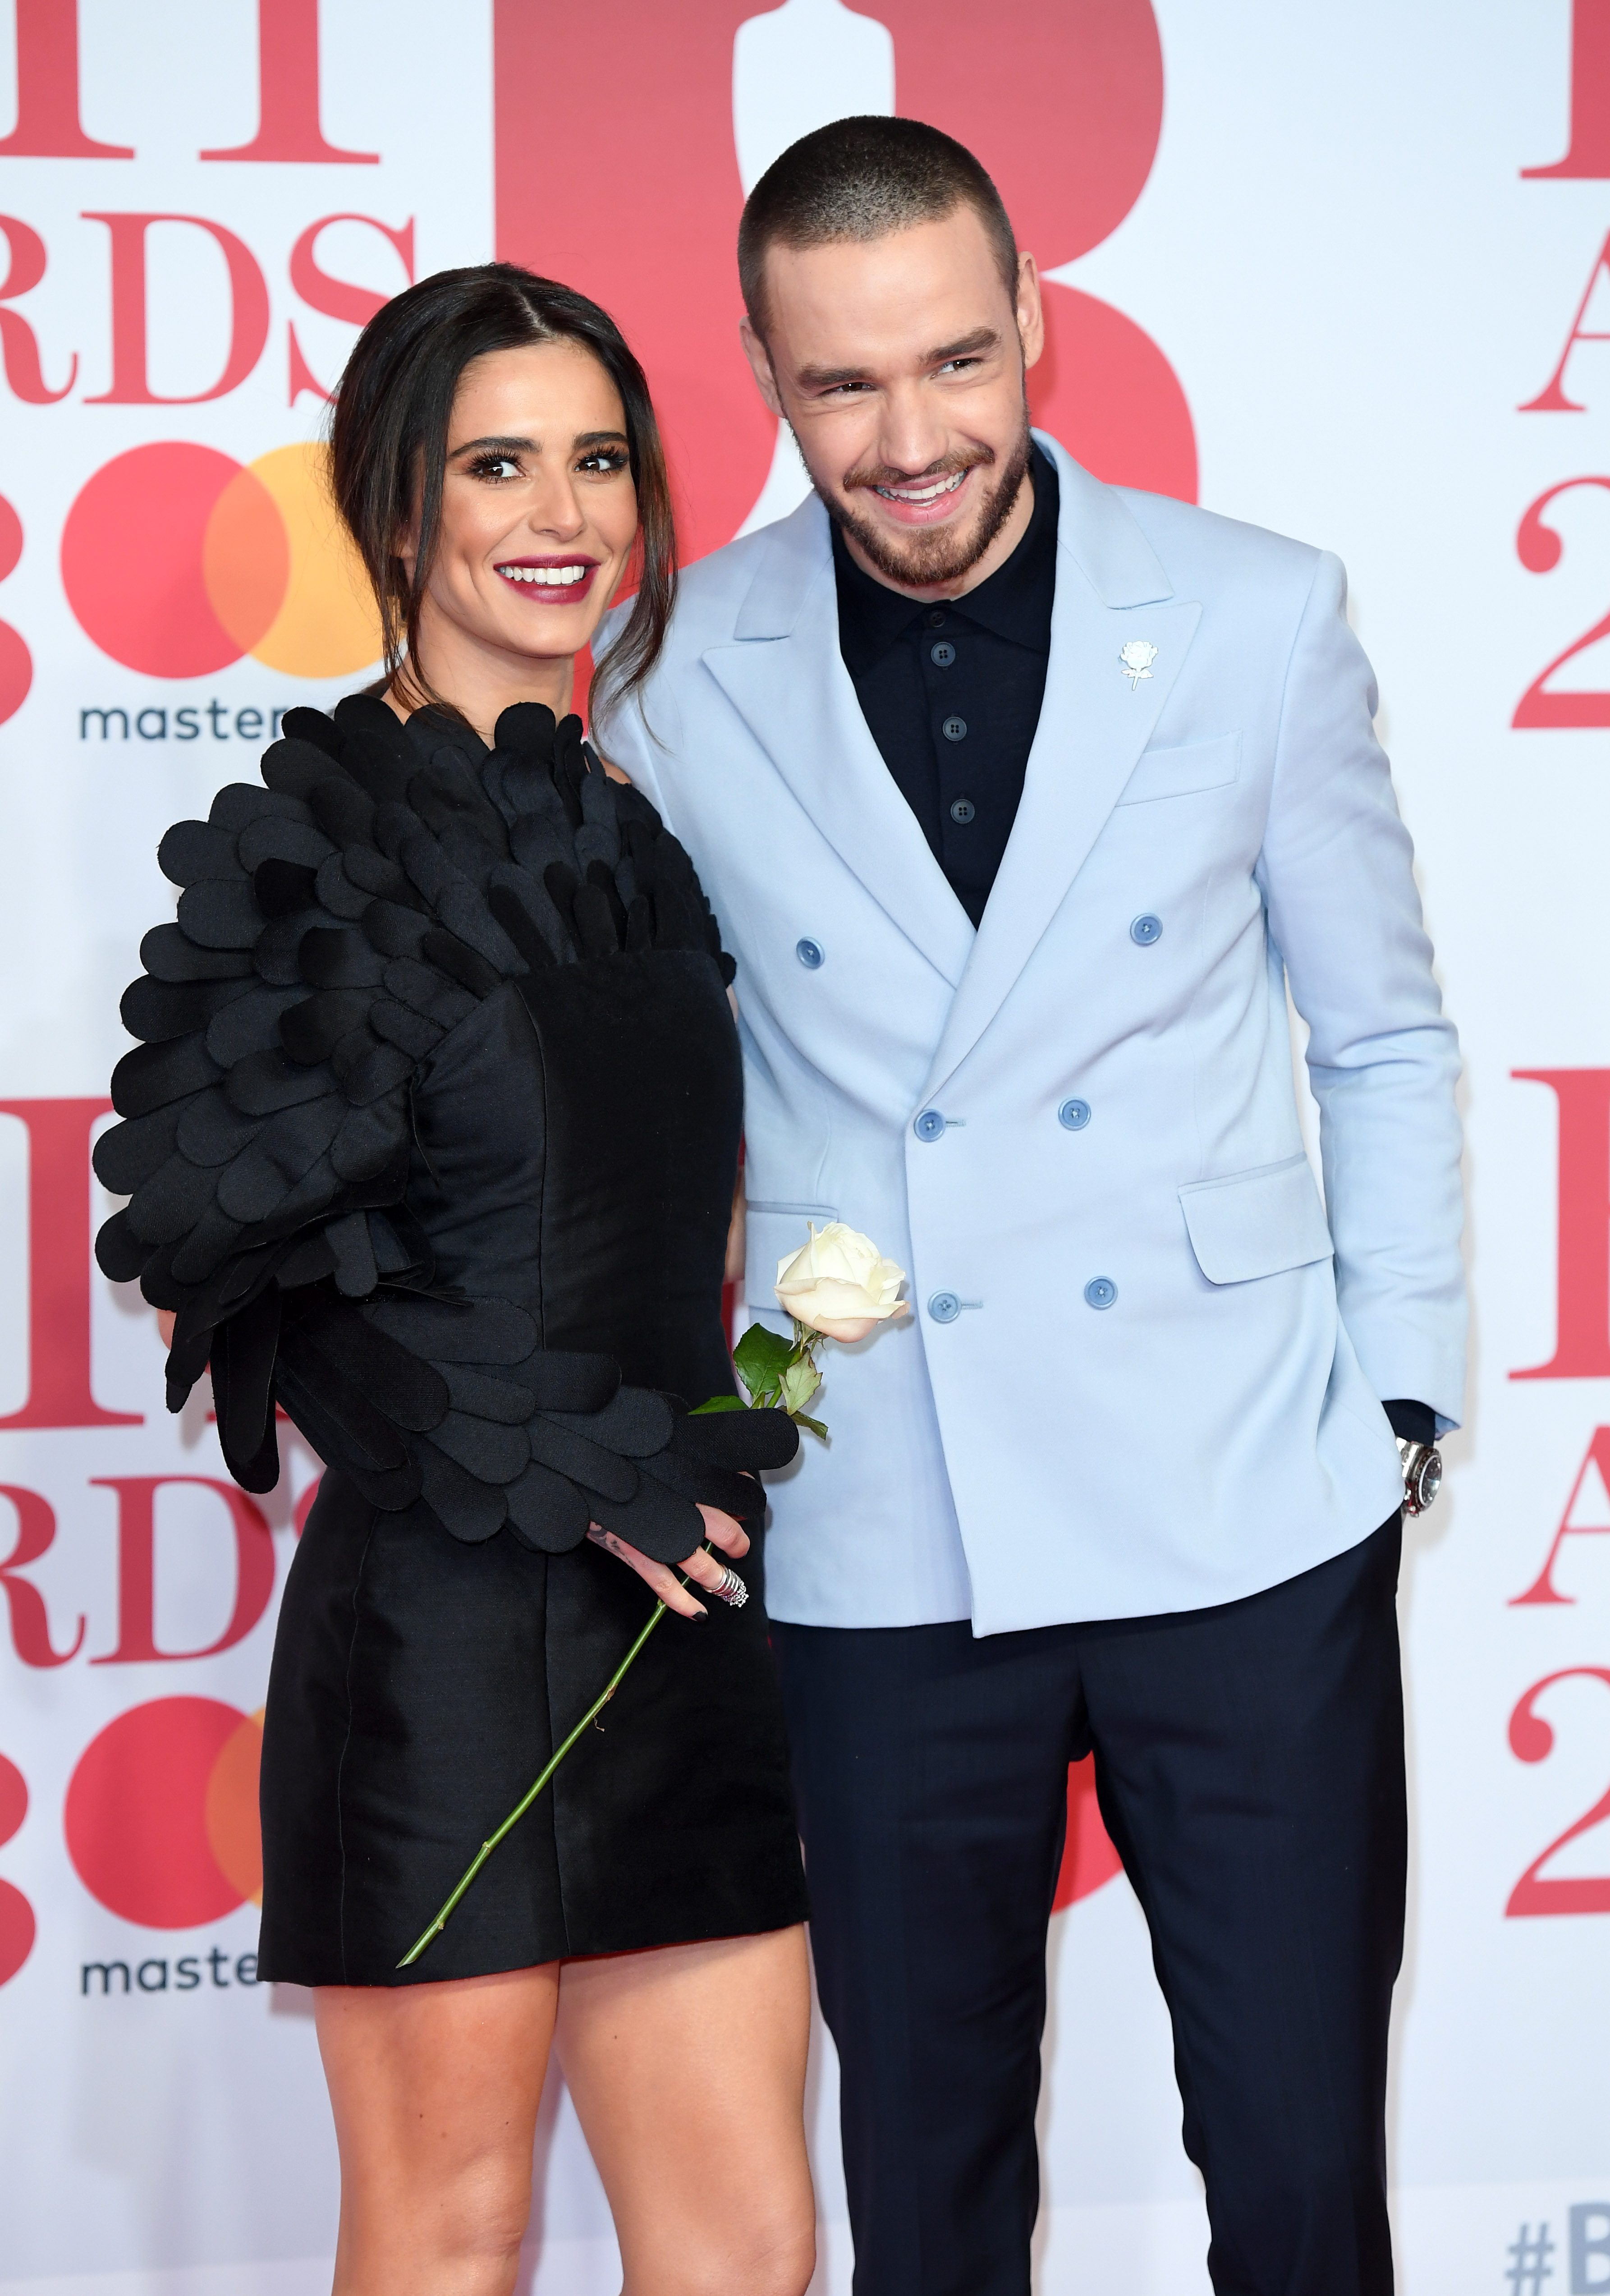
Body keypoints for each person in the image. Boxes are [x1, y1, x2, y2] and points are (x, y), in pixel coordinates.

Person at [599, 116, 1464, 2296]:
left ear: (1034, 331)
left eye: (953, 366)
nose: (909, 442)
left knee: (1290, 2168)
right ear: (763, 375)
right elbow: (636, 1099)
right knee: (927, 2171)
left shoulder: (1257, 612)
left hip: (1243, 1498)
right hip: (885, 1517)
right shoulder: (665, 672)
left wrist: (1399, 1408)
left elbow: (1375, 1035)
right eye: (840, 388)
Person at [94, 265, 817, 2296]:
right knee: (449, 2238)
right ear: (395, 510)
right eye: (498, 463)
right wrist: (555, 1454)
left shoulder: (635, 838)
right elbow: (237, 1276)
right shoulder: (317, 853)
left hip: (679, 1629)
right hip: (443, 1643)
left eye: (598, 458)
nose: (559, 510)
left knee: (752, 2246)